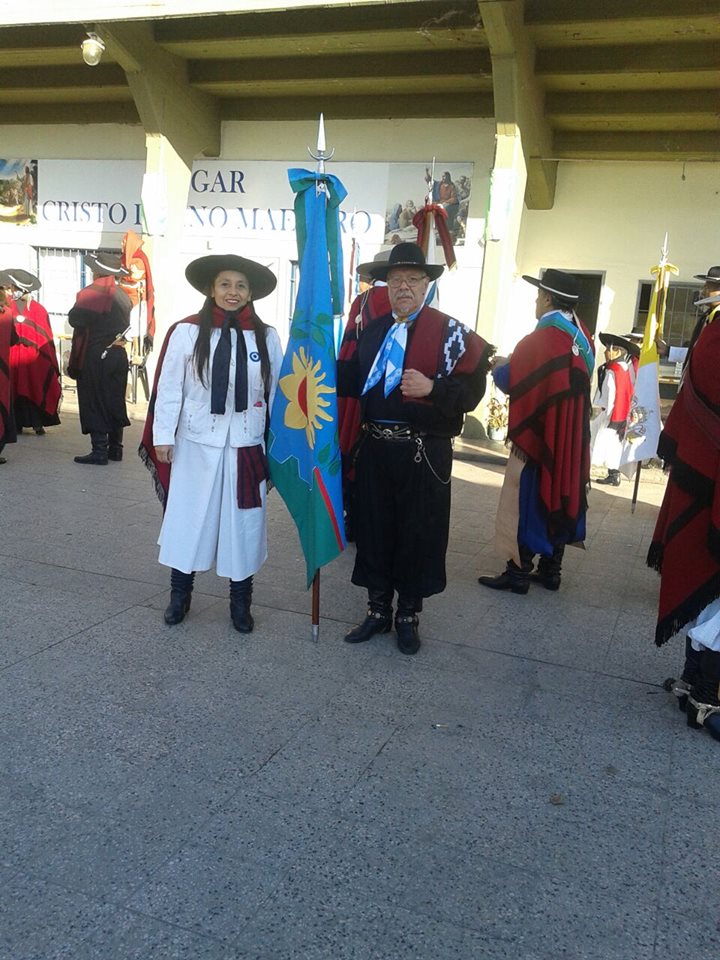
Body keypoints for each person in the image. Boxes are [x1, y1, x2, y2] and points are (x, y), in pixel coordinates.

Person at [337, 242, 493, 655]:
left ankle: (407, 614)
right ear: (385, 286)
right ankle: (376, 610)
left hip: (422, 453)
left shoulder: (451, 332)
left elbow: (474, 389)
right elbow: (351, 381)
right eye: (395, 280)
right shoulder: (368, 331)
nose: (402, 287)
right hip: (374, 449)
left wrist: (433, 388)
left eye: (412, 279)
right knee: (373, 530)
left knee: (415, 533)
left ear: (427, 285)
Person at [139, 253, 283, 634]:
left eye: (240, 286)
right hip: (195, 443)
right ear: (211, 289)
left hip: (245, 446)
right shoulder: (186, 332)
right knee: (189, 520)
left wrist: (284, 445)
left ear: (251, 292)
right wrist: (163, 437)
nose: (232, 292)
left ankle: (241, 602)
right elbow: (169, 388)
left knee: (244, 525)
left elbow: (277, 395)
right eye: (225, 284)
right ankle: (179, 594)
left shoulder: (266, 336)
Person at [478, 269, 595, 595]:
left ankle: (518, 573)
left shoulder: (539, 339)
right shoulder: (581, 336)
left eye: (536, 296)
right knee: (563, 487)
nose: (534, 301)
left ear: (546, 298)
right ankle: (551, 569)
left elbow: (512, 380)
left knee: (528, 496)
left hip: (539, 438)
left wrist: (500, 365)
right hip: (570, 438)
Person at [649, 284, 720, 741]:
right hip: (709, 481)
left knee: (709, 591)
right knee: (711, 588)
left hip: (705, 479)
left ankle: (697, 683)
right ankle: (705, 693)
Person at [67, 252, 132, 465]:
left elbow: (76, 319)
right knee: (114, 399)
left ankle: (99, 451)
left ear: (97, 271)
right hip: (118, 353)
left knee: (95, 399)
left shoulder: (91, 294)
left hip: (96, 355)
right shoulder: (124, 295)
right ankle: (116, 449)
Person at [4, 268, 61, 436]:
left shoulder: (39, 310)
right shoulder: (8, 307)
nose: (13, 291)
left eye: (15, 288)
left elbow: (45, 337)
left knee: (34, 387)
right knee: (13, 390)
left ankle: (37, 423)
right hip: (13, 356)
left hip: (34, 360)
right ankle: (16, 424)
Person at [590, 332, 639, 486]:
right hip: (615, 413)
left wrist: (611, 415)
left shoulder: (615, 370)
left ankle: (610, 473)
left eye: (609, 349)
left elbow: (615, 394)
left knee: (602, 442)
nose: (605, 352)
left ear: (617, 351)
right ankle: (612, 473)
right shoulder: (619, 368)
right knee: (609, 444)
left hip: (612, 414)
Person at [682, 266, 720, 373]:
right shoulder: (707, 317)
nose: (703, 292)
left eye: (708, 288)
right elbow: (698, 353)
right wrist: (667, 351)